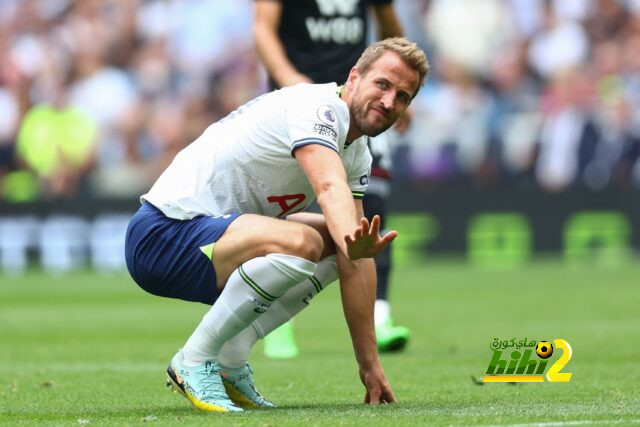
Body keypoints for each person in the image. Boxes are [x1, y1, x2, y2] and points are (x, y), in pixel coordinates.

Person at [125, 37, 429, 412]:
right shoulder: (318, 108)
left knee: (337, 243)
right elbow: (328, 186)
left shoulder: (357, 153)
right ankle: (193, 360)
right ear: (354, 78)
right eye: (383, 84)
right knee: (304, 241)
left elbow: (355, 257)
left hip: (214, 237)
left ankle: (230, 361)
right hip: (162, 236)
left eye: (403, 96)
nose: (389, 102)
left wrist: (369, 365)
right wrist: (352, 240)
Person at [254, 0, 412, 358]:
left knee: (372, 211)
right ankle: (273, 324)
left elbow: (390, 26)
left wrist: (398, 92)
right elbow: (262, 30)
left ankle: (380, 316)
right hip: (296, 104)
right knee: (279, 216)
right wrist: (288, 77)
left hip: (360, 103)